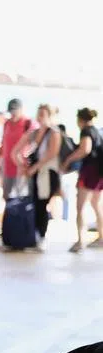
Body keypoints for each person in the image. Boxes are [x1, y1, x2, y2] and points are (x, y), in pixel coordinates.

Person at [11, 104, 62, 245]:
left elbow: (52, 153)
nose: (40, 117)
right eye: (38, 114)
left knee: (42, 204)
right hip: (34, 174)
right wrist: (23, 165)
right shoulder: (33, 133)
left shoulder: (54, 132)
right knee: (34, 203)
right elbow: (15, 152)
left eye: (43, 114)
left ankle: (41, 236)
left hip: (48, 174)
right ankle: (33, 234)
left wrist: (35, 168)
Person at [62, 108, 103, 252]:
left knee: (80, 207)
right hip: (98, 173)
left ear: (80, 120)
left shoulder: (86, 131)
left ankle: (80, 241)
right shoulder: (97, 132)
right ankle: (101, 237)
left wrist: (68, 160)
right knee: (96, 204)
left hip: (88, 172)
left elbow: (85, 149)